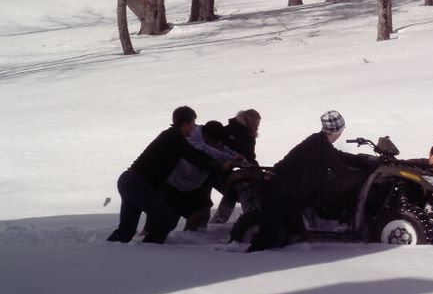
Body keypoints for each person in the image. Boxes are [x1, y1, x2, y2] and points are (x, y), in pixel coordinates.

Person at [247, 110, 367, 252]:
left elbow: (338, 155)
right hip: (277, 190)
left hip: (285, 192)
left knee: (295, 232)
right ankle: (247, 260)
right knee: (266, 239)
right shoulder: (321, 144)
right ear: (338, 130)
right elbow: (341, 171)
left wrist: (364, 160)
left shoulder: (318, 140)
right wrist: (362, 176)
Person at [107, 106, 222, 244]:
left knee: (126, 231)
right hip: (137, 183)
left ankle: (110, 250)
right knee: (166, 220)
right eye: (193, 123)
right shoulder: (174, 137)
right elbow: (195, 157)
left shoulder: (172, 136)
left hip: (129, 181)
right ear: (185, 124)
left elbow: (196, 154)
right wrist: (221, 166)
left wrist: (220, 161)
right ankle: (149, 250)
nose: (194, 127)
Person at [164, 120, 245, 231]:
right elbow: (206, 151)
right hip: (174, 184)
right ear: (206, 137)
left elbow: (221, 147)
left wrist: (236, 156)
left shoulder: (209, 138)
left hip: (191, 184)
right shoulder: (194, 140)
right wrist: (228, 160)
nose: (218, 145)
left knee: (203, 210)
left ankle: (190, 235)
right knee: (168, 221)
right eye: (216, 142)